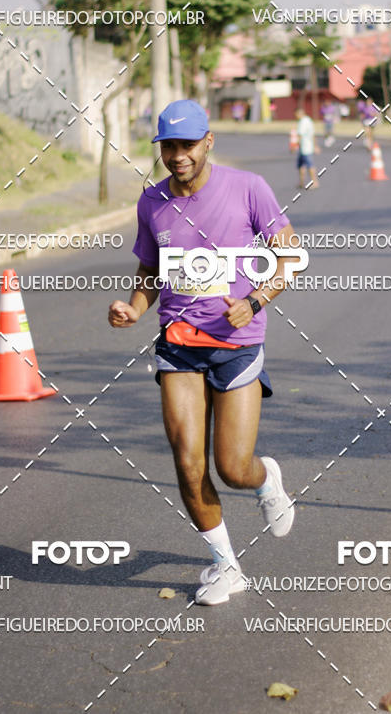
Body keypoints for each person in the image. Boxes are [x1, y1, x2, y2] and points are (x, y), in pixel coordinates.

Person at [108, 99, 297, 606]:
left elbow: (291, 257)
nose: (178, 155)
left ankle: (266, 480)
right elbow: (150, 273)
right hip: (178, 345)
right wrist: (133, 308)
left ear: (208, 142)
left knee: (233, 467)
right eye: (169, 146)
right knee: (188, 464)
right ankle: (225, 565)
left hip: (236, 344)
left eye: (187, 145)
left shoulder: (249, 188)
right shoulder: (152, 203)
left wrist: (255, 300)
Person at [295, 107, 319, 188]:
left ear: (299, 114)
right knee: (301, 165)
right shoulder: (309, 120)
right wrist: (315, 146)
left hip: (305, 147)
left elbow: (300, 135)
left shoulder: (303, 122)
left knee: (309, 165)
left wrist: (294, 145)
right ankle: (301, 182)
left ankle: (315, 182)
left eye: (296, 115)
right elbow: (313, 134)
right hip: (306, 147)